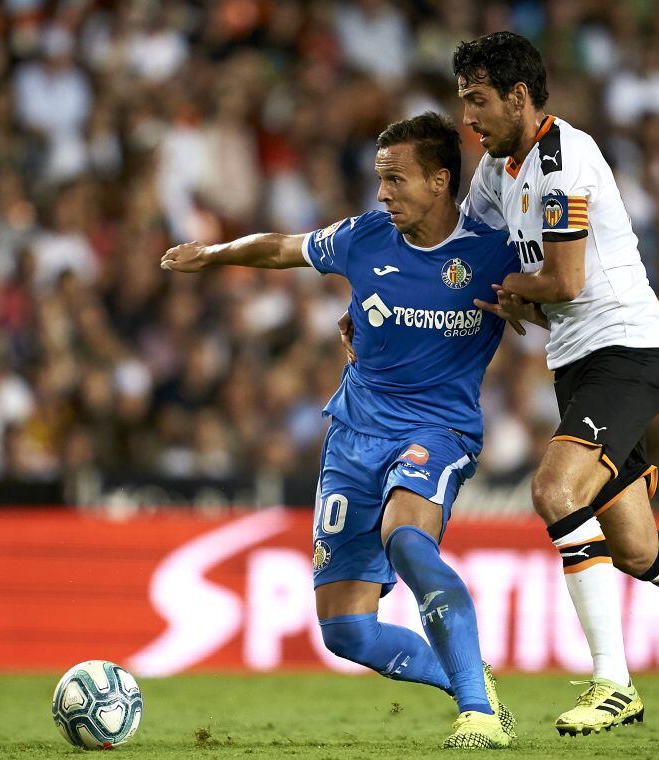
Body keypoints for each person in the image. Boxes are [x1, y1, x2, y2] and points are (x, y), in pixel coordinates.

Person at [454, 32, 659, 736]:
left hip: (629, 351)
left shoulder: (561, 160)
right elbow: (463, 251)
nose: (470, 118)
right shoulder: (495, 172)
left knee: (554, 490)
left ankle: (614, 683)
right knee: (636, 549)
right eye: (463, 102)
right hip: (576, 363)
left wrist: (511, 288)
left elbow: (567, 281)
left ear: (519, 96)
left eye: (479, 101)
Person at [161, 112, 518, 750]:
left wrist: (538, 305)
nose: (382, 193)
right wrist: (210, 255)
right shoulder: (363, 237)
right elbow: (279, 248)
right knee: (346, 632)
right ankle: (471, 681)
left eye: (395, 180)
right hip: (353, 434)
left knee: (408, 539)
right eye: (379, 180)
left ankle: (478, 713)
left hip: (437, 431)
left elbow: (563, 297)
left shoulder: (493, 251)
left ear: (440, 181)